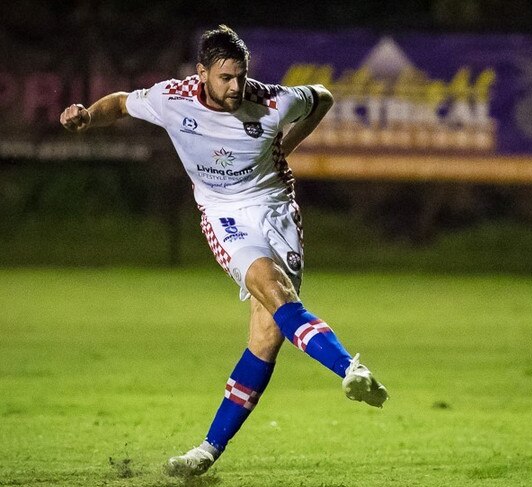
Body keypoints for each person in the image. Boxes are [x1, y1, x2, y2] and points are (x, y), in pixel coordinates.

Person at [60, 25, 388, 477]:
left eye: (241, 76)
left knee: (266, 337)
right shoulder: (172, 98)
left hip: (276, 211)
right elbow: (119, 103)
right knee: (273, 291)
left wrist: (286, 144)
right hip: (224, 216)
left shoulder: (271, 101)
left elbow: (324, 96)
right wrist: (86, 117)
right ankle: (349, 368)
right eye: (225, 78)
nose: (236, 87)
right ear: (202, 74)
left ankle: (208, 451)